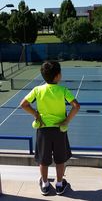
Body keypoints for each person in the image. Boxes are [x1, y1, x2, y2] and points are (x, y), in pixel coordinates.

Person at [20, 61, 80, 196]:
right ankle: (59, 185)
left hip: (43, 131)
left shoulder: (37, 90)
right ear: (58, 76)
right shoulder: (63, 90)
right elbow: (76, 106)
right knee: (60, 159)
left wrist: (36, 114)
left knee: (43, 159)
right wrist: (66, 120)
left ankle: (45, 185)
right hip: (59, 131)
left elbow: (23, 104)